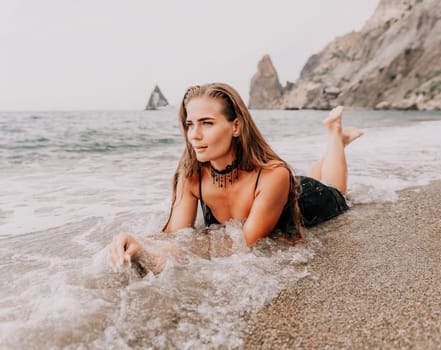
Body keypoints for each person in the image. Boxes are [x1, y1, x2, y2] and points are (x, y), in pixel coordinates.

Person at [108, 82, 363, 270]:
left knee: (337, 190)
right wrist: (138, 245)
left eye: (207, 123)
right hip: (275, 191)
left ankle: (335, 137)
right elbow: (176, 236)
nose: (194, 135)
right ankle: (331, 148)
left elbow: (244, 245)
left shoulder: (273, 175)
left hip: (305, 198)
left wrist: (164, 256)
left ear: (236, 126)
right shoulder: (191, 174)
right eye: (189, 124)